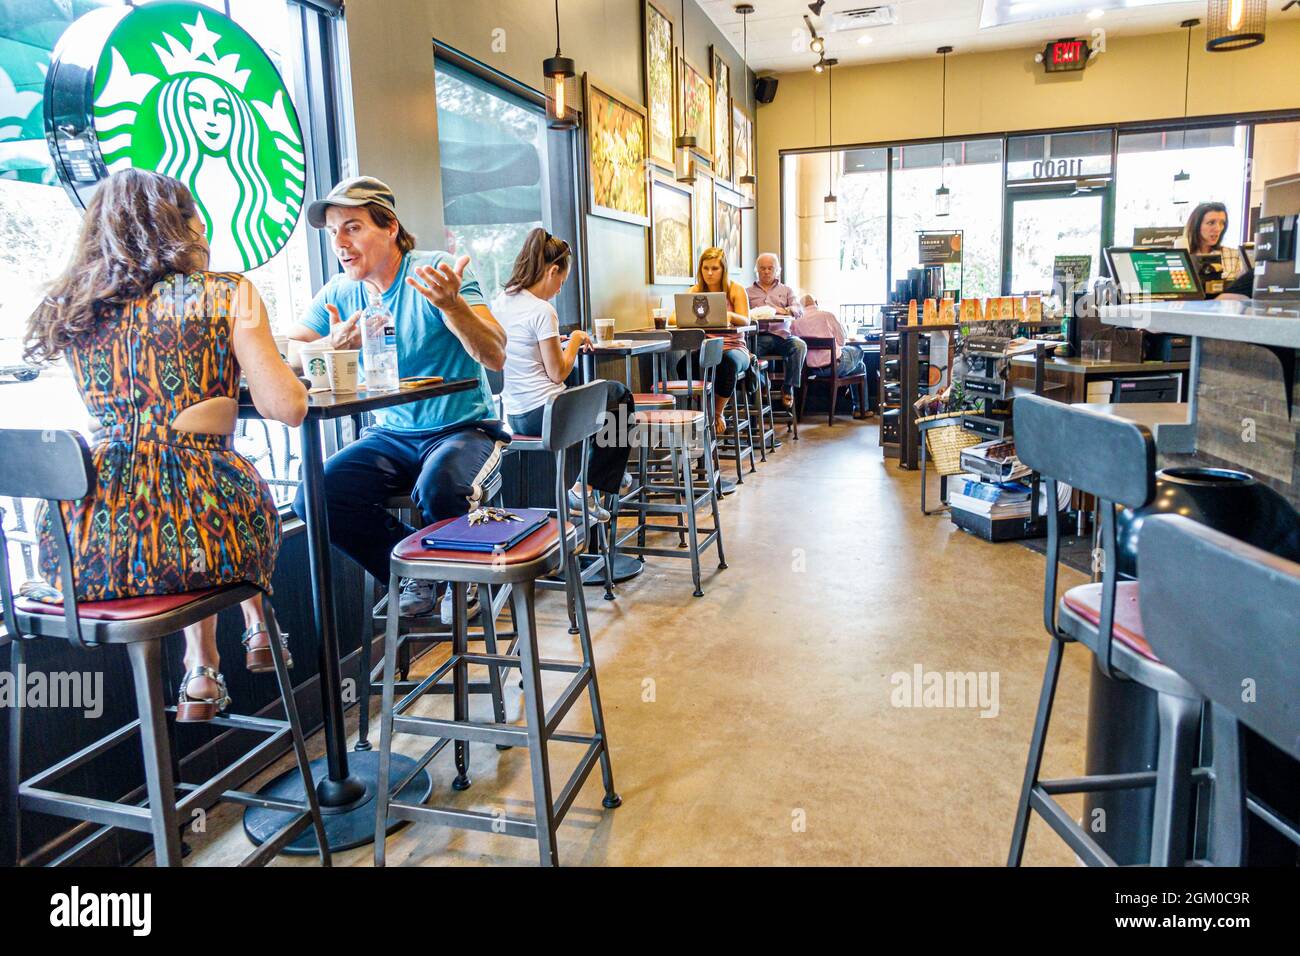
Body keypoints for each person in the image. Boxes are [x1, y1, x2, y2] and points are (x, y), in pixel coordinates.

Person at [23, 168, 307, 722]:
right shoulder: (228, 293)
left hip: (85, 548)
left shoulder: (73, 307)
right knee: (215, 487)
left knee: (187, 485)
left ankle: (204, 665)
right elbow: (287, 408)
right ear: (182, 224)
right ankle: (242, 636)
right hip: (200, 530)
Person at [286, 177, 508, 623]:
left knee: (442, 487)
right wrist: (328, 345)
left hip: (463, 430)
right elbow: (293, 352)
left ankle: (438, 571)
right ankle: (418, 570)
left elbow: (495, 352)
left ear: (389, 227)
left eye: (352, 227)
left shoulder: (435, 270)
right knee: (314, 496)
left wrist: (452, 307)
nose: (340, 243)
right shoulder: (339, 292)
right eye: (332, 232)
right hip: (388, 436)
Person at [494, 228, 635, 521]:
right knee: (620, 396)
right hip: (547, 415)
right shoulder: (543, 310)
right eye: (561, 281)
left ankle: (610, 471)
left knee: (603, 402)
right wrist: (574, 339)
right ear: (553, 270)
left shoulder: (501, 302)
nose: (559, 289)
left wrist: (558, 343)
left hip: (515, 415)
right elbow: (557, 372)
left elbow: (526, 350)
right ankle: (585, 487)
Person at [675, 247, 752, 435]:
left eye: (715, 268)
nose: (709, 273)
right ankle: (703, 409)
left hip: (735, 349)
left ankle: (717, 413)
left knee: (727, 364)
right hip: (707, 349)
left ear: (723, 269)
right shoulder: (695, 291)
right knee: (683, 365)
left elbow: (746, 320)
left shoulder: (735, 289)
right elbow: (673, 318)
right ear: (700, 269)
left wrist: (730, 315)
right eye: (705, 268)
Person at [746, 252, 807, 409]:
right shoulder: (747, 292)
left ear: (777, 270)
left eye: (770, 268)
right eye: (762, 268)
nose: (766, 272)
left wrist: (780, 310)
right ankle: (763, 382)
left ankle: (788, 387)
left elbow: (798, 310)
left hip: (782, 336)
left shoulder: (786, 290)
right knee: (746, 354)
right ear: (757, 270)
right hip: (758, 337)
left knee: (800, 346)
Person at [791, 294, 866, 413]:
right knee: (859, 351)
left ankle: (856, 404)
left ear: (801, 307)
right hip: (834, 367)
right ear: (816, 302)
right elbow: (841, 342)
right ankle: (860, 409)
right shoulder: (828, 316)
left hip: (810, 371)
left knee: (859, 367)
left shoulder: (795, 323)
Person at [1175, 201, 1249, 284]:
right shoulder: (1183, 256)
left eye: (1222, 223)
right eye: (1211, 223)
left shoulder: (1233, 255)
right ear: (1196, 225)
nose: (1218, 229)